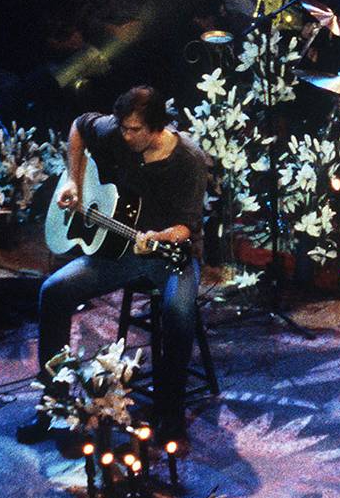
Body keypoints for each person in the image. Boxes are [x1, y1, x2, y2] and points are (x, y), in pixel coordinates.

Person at [24, 85, 208, 443]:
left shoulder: (188, 159)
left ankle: (170, 414)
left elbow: (187, 226)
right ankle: (53, 406)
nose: (125, 136)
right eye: (122, 127)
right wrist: (74, 181)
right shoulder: (118, 130)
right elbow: (79, 126)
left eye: (134, 130)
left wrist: (159, 237)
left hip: (173, 253)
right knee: (53, 291)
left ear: (157, 126)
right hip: (121, 249)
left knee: (178, 313)